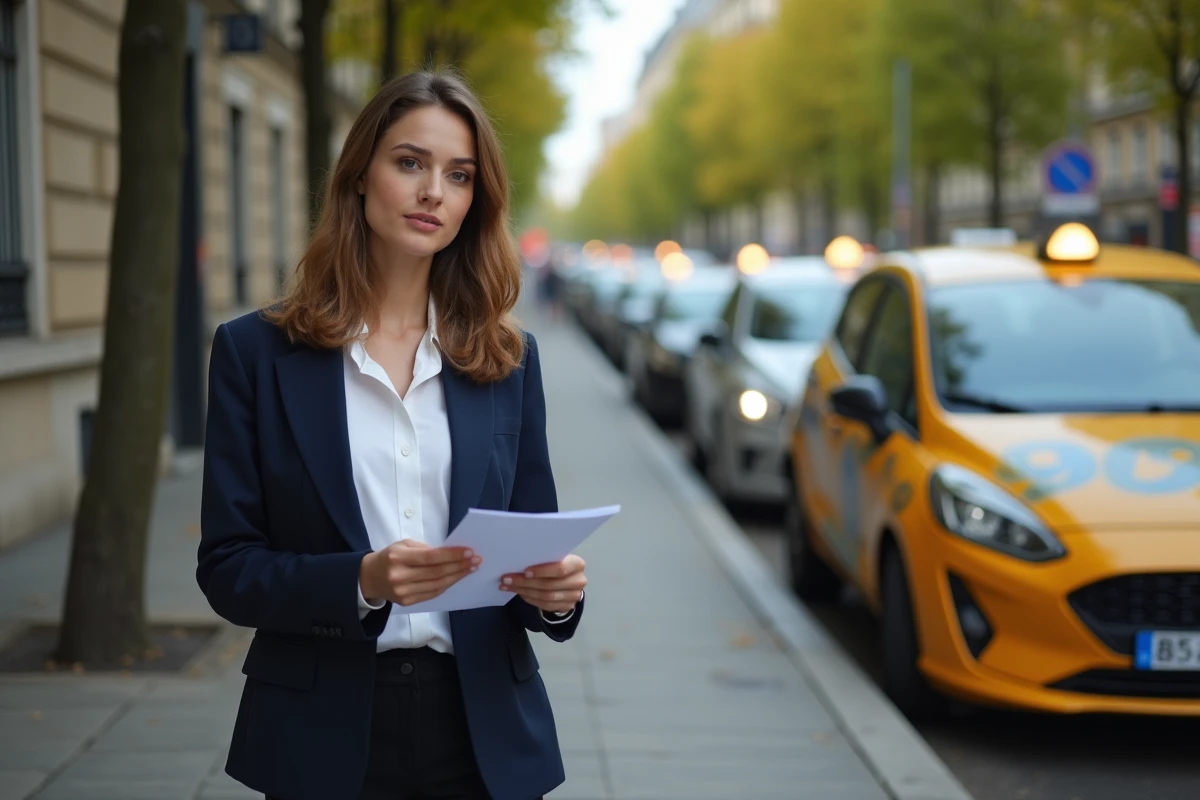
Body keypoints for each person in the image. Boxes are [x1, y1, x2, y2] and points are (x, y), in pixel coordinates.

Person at [196, 69, 588, 800]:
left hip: (482, 735)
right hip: (320, 731)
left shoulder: (508, 360)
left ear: (474, 201)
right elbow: (228, 569)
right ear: (359, 176)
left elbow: (531, 542)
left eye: (459, 175)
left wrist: (554, 593)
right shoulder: (255, 354)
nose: (433, 191)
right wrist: (362, 581)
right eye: (410, 162)